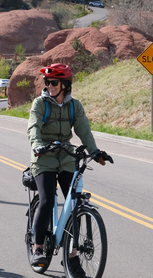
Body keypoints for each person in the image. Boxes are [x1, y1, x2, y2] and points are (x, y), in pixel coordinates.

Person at [27, 63, 108, 276]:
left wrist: (95, 151)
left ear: (65, 85)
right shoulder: (40, 104)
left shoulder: (74, 106)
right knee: (47, 200)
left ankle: (71, 257)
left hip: (66, 157)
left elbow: (83, 129)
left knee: (75, 203)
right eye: (47, 82)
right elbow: (33, 126)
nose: (50, 86)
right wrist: (37, 145)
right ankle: (38, 248)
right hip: (43, 156)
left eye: (54, 82)